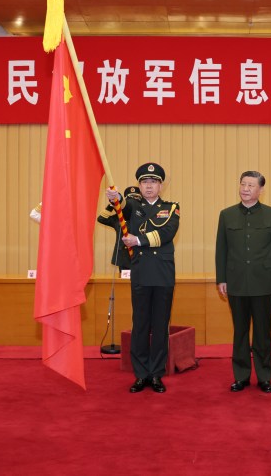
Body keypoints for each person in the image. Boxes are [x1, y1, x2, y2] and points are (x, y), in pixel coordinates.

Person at [105, 163, 180, 394]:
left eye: (153, 182)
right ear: (139, 185)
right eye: (145, 182)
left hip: (163, 275)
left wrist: (138, 240)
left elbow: (167, 233)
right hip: (140, 272)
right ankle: (140, 375)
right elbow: (119, 209)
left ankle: (156, 374)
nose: (149, 186)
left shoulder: (171, 207)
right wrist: (115, 198)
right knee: (140, 326)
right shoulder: (132, 206)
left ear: (160, 185)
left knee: (159, 326)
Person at [215, 171, 271, 394]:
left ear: (260, 190)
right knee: (240, 332)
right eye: (243, 184)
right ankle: (241, 376)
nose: (245, 188)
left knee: (263, 332)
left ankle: (264, 376)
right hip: (236, 281)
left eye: (250, 185)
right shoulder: (226, 215)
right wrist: (222, 279)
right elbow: (222, 249)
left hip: (264, 282)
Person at [98, 185, 142, 271]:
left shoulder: (144, 215)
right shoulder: (118, 218)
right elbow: (101, 219)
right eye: (130, 199)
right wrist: (111, 205)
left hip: (139, 254)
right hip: (123, 256)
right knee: (123, 283)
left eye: (136, 198)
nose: (133, 202)